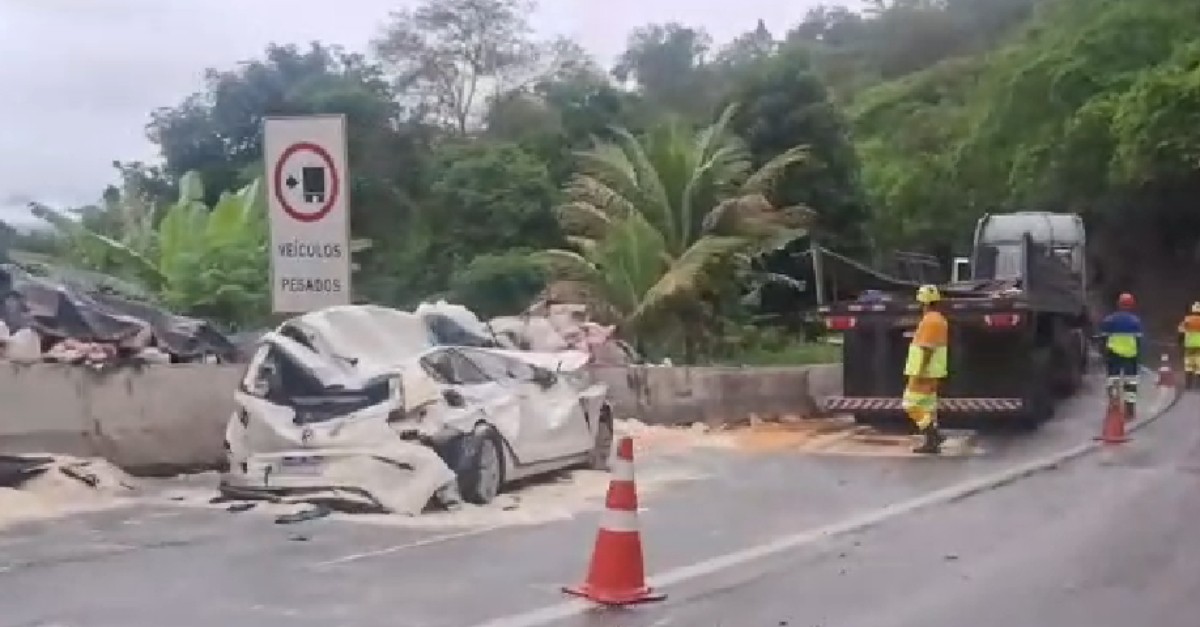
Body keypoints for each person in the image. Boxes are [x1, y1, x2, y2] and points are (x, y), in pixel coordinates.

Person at [903, 284, 948, 454]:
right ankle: (931, 443)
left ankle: (933, 435)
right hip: (933, 371)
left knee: (910, 404)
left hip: (924, 372)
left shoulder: (930, 321)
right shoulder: (939, 319)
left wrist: (920, 371)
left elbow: (927, 348)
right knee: (928, 406)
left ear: (923, 303)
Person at [1099, 292, 1144, 418]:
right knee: (1131, 382)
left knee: (1113, 380)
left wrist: (1104, 353)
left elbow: (1103, 338)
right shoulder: (1136, 321)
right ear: (1132, 305)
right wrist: (1139, 356)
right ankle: (1130, 410)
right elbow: (1139, 340)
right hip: (1131, 356)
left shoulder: (1109, 319)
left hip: (1113, 355)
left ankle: (1114, 406)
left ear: (1118, 304)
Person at [1177, 302, 1200, 388]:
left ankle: (1188, 384)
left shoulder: (1187, 320)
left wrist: (1180, 342)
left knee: (1189, 365)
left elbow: (1181, 332)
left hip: (1189, 346)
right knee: (1199, 365)